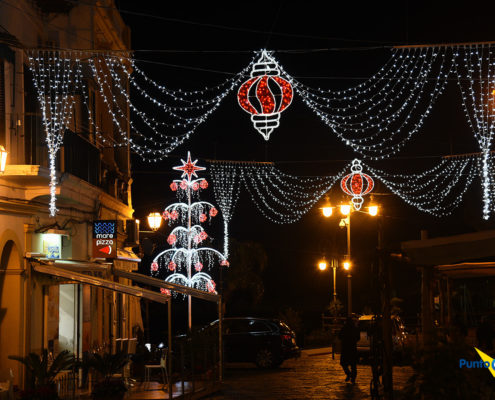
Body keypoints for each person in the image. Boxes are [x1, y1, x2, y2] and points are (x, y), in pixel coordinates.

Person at [338, 316, 360, 383]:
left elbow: (339, 336)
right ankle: (353, 377)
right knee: (353, 365)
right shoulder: (355, 328)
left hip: (345, 348)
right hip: (352, 348)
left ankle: (348, 374)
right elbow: (358, 337)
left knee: (343, 363)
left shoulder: (344, 328)